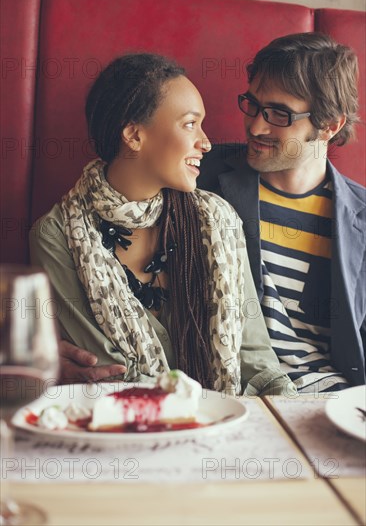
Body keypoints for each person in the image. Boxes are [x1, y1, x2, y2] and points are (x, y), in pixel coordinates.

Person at [30, 53, 296, 396]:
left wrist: (294, 421)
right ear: (134, 135)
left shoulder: (219, 220)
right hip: (125, 432)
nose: (206, 142)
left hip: (225, 428)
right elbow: (112, 373)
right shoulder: (56, 236)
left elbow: (257, 363)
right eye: (190, 124)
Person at [199, 32, 366, 392]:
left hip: (331, 405)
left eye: (280, 114)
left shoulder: (361, 221)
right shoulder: (200, 171)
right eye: (254, 105)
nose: (257, 126)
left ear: (330, 126)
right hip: (231, 394)